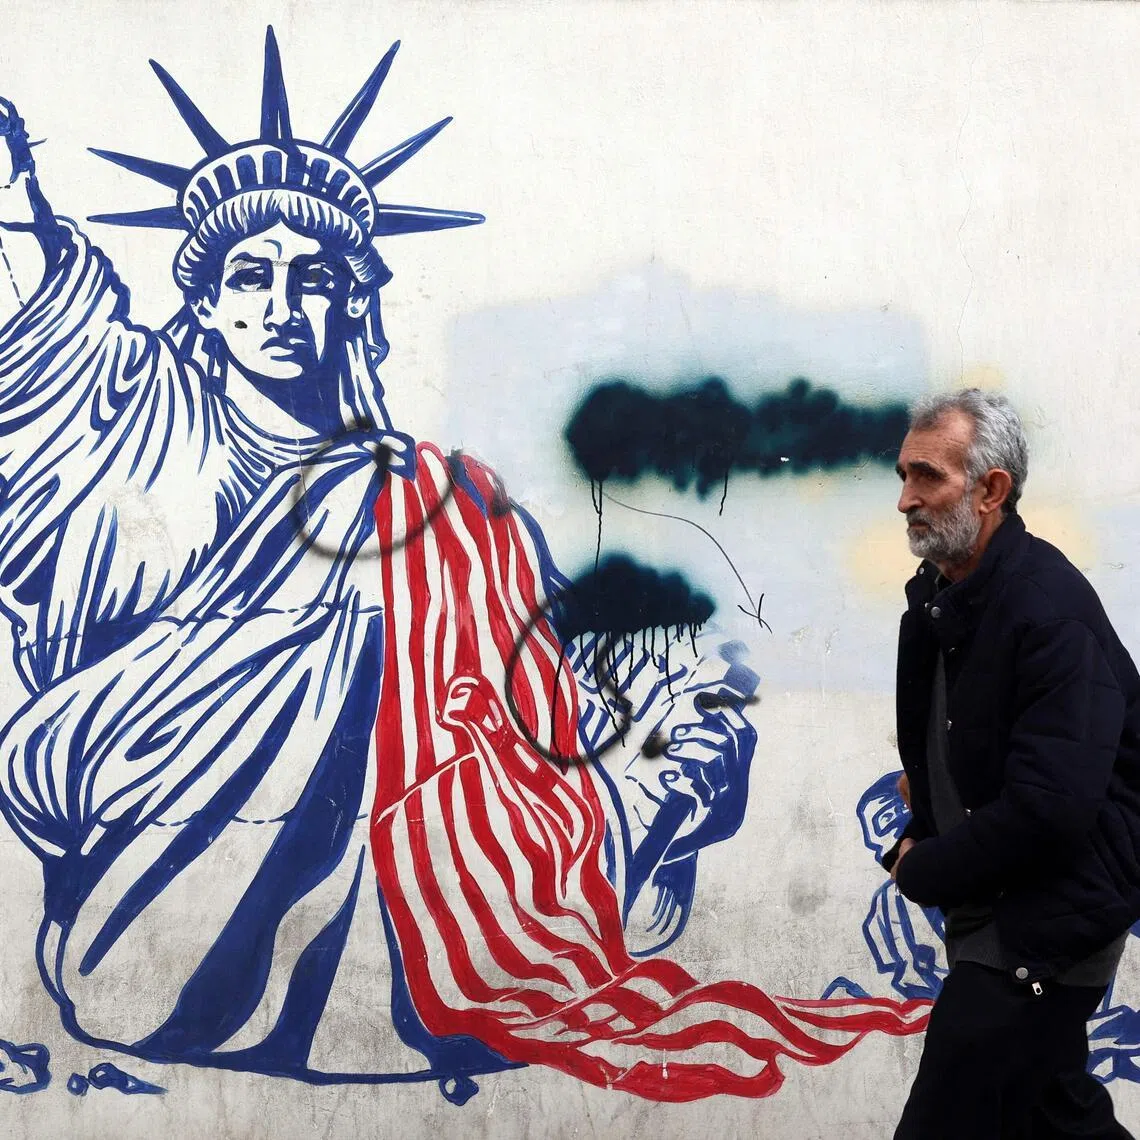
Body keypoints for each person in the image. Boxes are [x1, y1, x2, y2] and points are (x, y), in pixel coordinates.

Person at [0, 27, 927, 1102]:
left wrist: (655, 725)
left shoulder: (436, 497)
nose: (281, 306)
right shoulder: (135, 420)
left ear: (354, 300)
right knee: (362, 617)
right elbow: (35, 299)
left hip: (417, 897)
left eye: (314, 278)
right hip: (135, 844)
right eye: (249, 277)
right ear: (204, 300)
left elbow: (531, 682)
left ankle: (537, 893)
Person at [886, 388, 1140, 1138]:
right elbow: (974, 755)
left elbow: (1050, 807)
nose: (905, 500)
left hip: (1045, 924)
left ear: (990, 489)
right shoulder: (941, 604)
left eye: (927, 476)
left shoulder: (1045, 607)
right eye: (902, 475)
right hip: (1002, 908)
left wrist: (921, 868)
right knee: (1055, 1116)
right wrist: (923, 816)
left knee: (944, 1123)